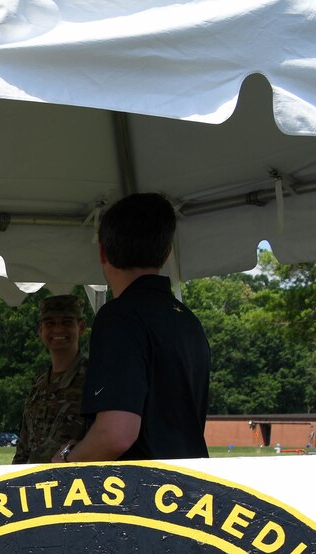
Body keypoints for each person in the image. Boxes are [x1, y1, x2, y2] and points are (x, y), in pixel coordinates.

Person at [65, 193, 211, 462]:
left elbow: (116, 434)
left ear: (102, 252)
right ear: (167, 253)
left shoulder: (119, 317)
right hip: (192, 489)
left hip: (141, 494)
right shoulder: (188, 320)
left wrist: (66, 461)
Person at [15, 295, 89, 464]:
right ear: (40, 330)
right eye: (50, 323)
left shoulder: (93, 380)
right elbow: (24, 447)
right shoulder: (39, 386)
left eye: (66, 322)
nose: (57, 330)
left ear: (81, 327)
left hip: (74, 483)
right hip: (33, 483)